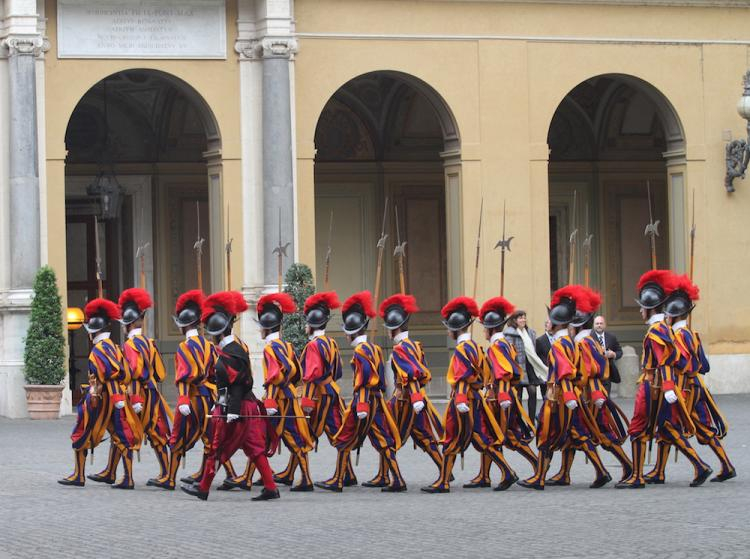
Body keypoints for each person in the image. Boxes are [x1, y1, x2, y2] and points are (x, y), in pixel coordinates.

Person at [616, 270, 712, 489]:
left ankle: (638, 476)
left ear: (649, 308)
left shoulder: (656, 331)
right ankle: (697, 465)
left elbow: (664, 362)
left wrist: (668, 387)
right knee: (666, 428)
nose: (640, 310)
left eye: (642, 306)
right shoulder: (662, 328)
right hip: (658, 384)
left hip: (654, 385)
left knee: (638, 428)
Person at [181, 291, 279, 501]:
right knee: (255, 448)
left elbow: (237, 384)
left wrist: (231, 411)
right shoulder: (232, 349)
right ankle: (271, 487)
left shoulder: (231, 352)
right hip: (245, 405)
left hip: (236, 407)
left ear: (217, 333)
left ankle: (204, 487)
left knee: (217, 446)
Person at [518, 286, 611, 490]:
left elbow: (565, 372)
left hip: (558, 398)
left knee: (544, 434)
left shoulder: (559, 345)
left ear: (556, 323)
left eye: (550, 319)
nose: (548, 323)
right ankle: (601, 471)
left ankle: (539, 477)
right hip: (565, 396)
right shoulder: (569, 341)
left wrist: (568, 396)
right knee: (577, 434)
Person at [645, 275, 735, 484]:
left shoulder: (678, 336)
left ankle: (698, 467)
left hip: (683, 388)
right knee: (699, 427)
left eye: (668, 315)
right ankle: (726, 465)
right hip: (696, 385)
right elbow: (704, 365)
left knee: (668, 425)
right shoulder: (693, 334)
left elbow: (679, 361)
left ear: (673, 316)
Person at [422, 297, 516, 493]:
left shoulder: (462, 349)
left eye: (449, 328)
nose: (448, 331)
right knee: (479, 438)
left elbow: (462, 378)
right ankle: (506, 472)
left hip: (463, 400)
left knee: (452, 440)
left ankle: (444, 482)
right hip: (475, 398)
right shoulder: (474, 346)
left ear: (456, 329)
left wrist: (461, 399)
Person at [316, 291, 406, 492]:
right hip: (377, 400)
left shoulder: (360, 351)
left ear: (352, 332)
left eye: (347, 332)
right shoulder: (373, 348)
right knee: (383, 439)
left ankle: (338, 480)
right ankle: (397, 479)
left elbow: (365, 380)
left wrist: (363, 405)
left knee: (344, 438)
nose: (346, 335)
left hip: (364, 401)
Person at [547, 287, 631, 485]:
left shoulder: (584, 343)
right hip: (586, 395)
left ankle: (626, 466)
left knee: (598, 433)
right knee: (572, 433)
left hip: (588, 397)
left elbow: (592, 372)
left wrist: (591, 396)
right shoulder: (585, 341)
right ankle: (564, 473)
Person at [59, 298, 142, 489]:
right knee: (120, 434)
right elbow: (126, 374)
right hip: (115, 397)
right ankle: (127, 477)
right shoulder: (115, 347)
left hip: (99, 398)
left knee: (81, 432)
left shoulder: (99, 350)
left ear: (93, 332)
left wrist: (115, 397)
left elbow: (111, 375)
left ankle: (79, 475)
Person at [365, 293, 445, 488]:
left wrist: (416, 397)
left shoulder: (401, 349)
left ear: (395, 329)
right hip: (413, 399)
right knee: (424, 436)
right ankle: (444, 470)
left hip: (404, 401)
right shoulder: (415, 345)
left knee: (387, 436)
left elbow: (412, 374)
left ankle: (393, 478)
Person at [98, 288, 172, 484]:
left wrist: (135, 397)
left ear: (128, 324)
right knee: (156, 433)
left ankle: (125, 476)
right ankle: (164, 473)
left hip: (137, 395)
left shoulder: (130, 346)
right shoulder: (150, 342)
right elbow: (161, 373)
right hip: (153, 392)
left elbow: (132, 374)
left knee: (122, 430)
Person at [297, 291, 357, 488]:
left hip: (319, 397)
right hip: (333, 391)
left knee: (304, 433)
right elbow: (338, 371)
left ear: (312, 324)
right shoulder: (331, 342)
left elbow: (311, 376)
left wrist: (306, 402)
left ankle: (308, 479)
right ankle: (347, 473)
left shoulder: (313, 346)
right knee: (335, 432)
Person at [258, 292, 315, 491]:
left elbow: (273, 377)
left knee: (291, 439)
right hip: (288, 395)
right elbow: (297, 372)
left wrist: (271, 401)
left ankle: (306, 479)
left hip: (279, 400)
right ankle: (255, 475)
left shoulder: (269, 349)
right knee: (262, 437)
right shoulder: (287, 346)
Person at [504, 310, 548, 419]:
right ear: (514, 320)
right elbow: (509, 351)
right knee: (517, 396)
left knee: (532, 392)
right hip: (518, 367)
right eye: (520, 318)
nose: (523, 320)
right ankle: (519, 422)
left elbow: (533, 350)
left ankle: (531, 421)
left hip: (530, 367)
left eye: (524, 317)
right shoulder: (510, 333)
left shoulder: (530, 332)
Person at [592, 315, 623, 394]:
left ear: (605, 325)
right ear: (593, 325)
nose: (599, 325)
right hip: (594, 373)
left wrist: (613, 354)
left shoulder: (611, 337)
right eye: (597, 323)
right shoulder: (589, 337)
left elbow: (619, 351)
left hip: (607, 372)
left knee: (606, 397)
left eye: (601, 323)